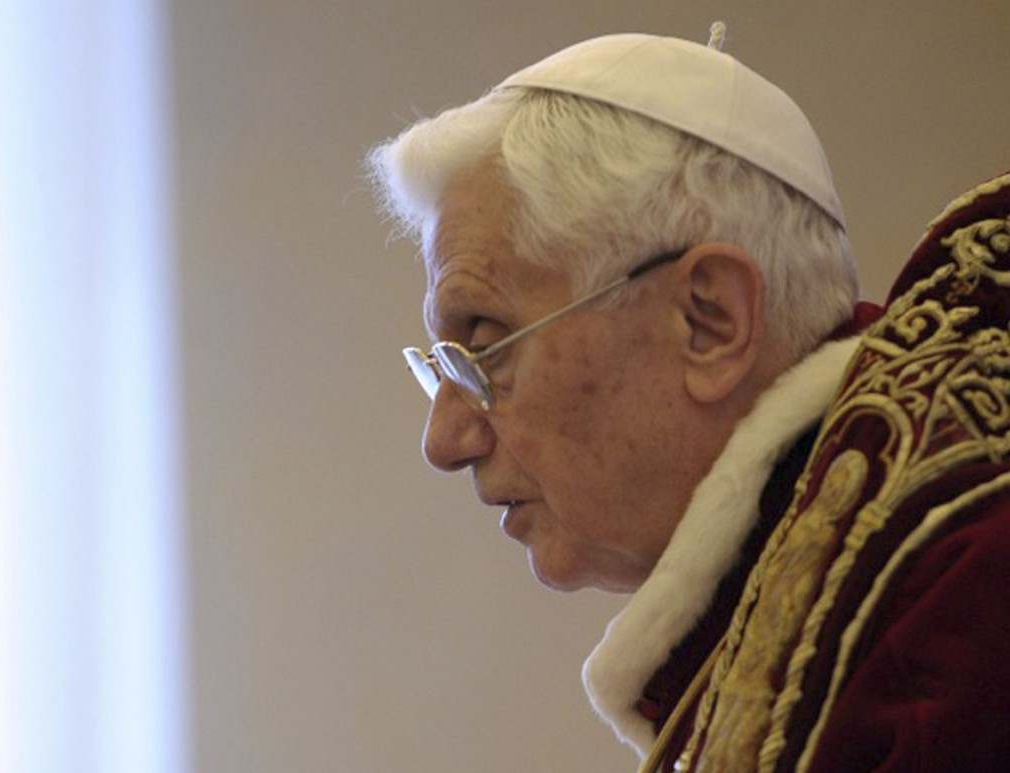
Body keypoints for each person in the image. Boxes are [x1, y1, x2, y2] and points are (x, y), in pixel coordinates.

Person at [367, 24, 1010, 772]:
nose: (443, 440)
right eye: (439, 363)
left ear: (709, 320)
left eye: (486, 342)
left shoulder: (954, 611)